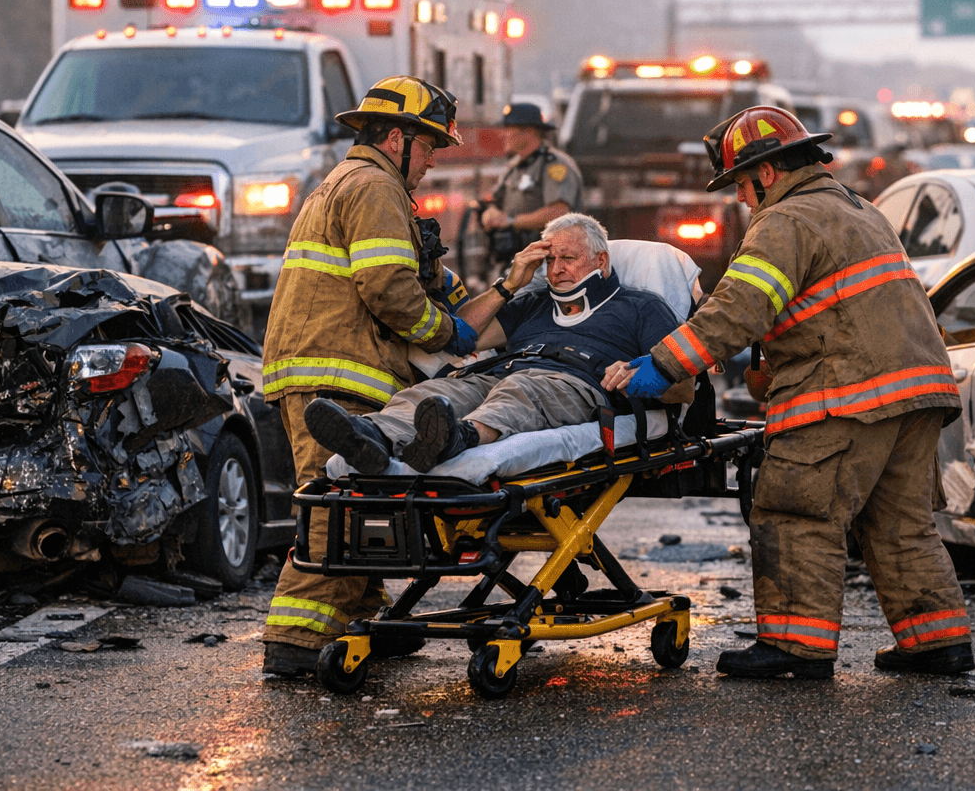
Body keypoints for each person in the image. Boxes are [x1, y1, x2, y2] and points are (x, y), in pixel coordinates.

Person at [604, 105, 972, 679]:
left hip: (848, 396)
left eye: (741, 185)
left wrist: (663, 365)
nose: (742, 199)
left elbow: (738, 309)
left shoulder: (786, 220)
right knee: (898, 523)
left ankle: (797, 647)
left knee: (795, 511)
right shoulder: (858, 208)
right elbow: (830, 308)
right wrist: (771, 363)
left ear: (767, 172)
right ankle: (937, 642)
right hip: (917, 394)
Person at [260, 76, 479, 677]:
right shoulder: (375, 187)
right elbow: (389, 289)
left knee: (361, 501)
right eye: (429, 146)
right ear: (396, 138)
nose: (433, 161)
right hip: (337, 372)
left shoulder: (351, 182)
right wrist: (446, 332)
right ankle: (295, 639)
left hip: (321, 365)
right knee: (336, 506)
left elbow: (413, 274)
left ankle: (363, 618)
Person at [306, 213, 679, 473]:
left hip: (575, 383)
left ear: (602, 261)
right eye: (549, 260)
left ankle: (461, 437)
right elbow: (462, 334)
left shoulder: (641, 306)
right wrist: (511, 284)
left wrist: (638, 373)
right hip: (499, 373)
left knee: (523, 391)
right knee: (436, 392)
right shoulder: (532, 302)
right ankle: (370, 438)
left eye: (568, 258)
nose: (556, 270)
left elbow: (684, 385)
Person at [478, 101, 583, 267]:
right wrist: (490, 213)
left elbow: (558, 213)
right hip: (517, 261)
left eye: (509, 128)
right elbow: (495, 201)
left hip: (551, 262)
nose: (504, 134)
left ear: (529, 131)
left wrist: (511, 221)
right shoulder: (513, 167)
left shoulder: (554, 165)